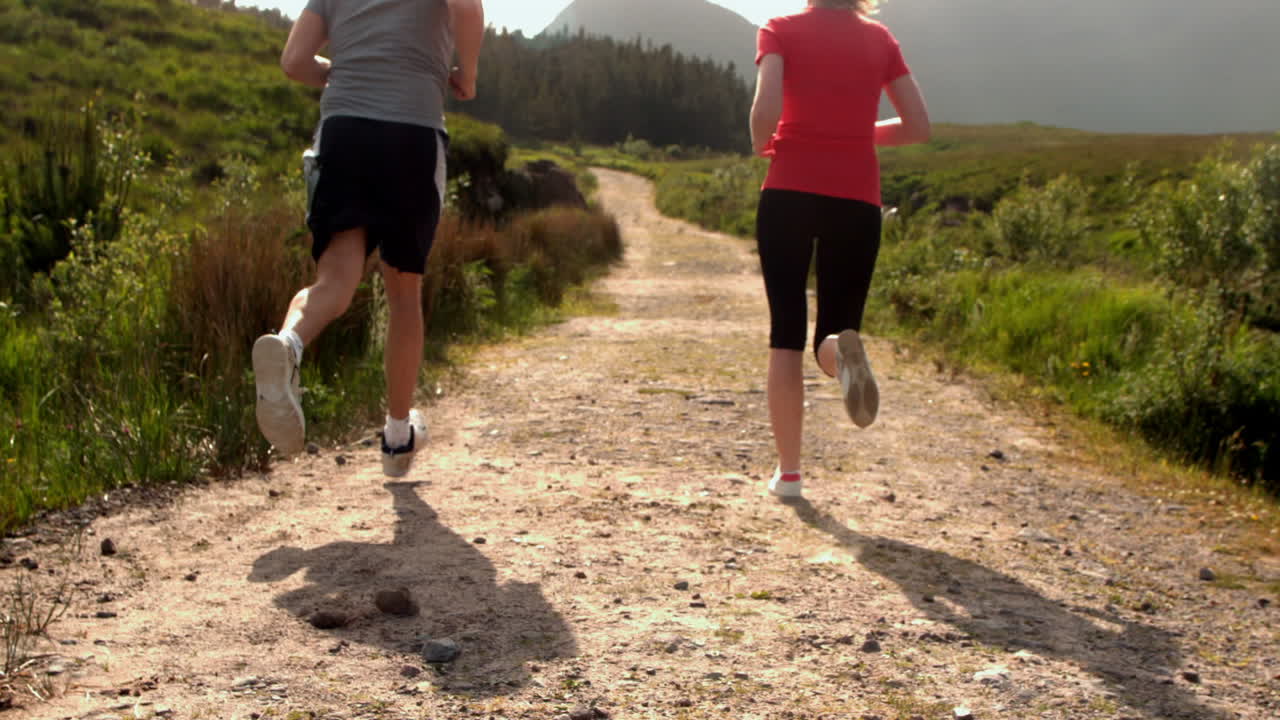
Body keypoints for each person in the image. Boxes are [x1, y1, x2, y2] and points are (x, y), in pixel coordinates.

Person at [252, 0, 485, 477]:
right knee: (403, 292)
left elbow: (294, 62)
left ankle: (290, 344)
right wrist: (468, 71)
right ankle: (398, 436)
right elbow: (467, 5)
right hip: (412, 133)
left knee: (335, 277)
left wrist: (342, 70)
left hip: (344, 132)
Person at [750, 0, 930, 498]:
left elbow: (765, 108)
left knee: (785, 331)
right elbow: (918, 125)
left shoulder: (780, 29)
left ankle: (789, 475)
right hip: (856, 200)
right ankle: (837, 353)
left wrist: (764, 141)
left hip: (787, 192)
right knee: (836, 326)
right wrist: (851, 134)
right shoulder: (879, 39)